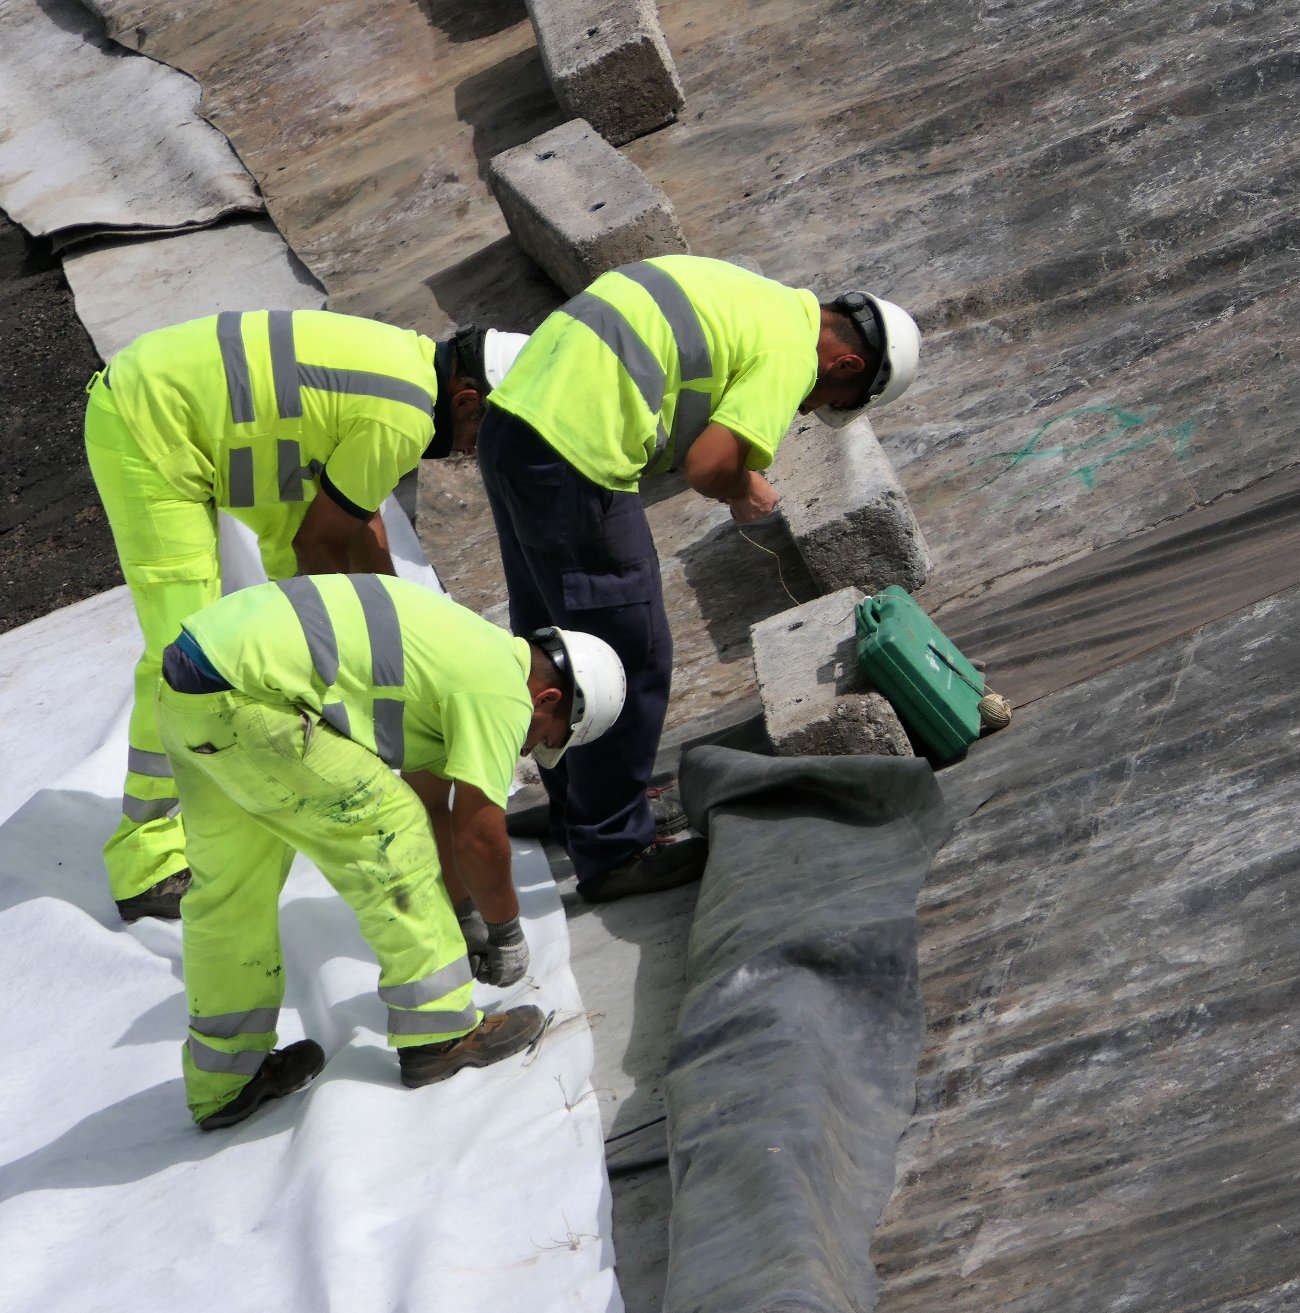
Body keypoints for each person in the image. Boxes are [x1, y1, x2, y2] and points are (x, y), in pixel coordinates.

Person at [479, 255, 922, 902]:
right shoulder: (791, 353)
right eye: (826, 403)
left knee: (552, 641)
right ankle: (613, 848)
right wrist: (744, 488)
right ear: (846, 368)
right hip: (575, 451)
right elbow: (709, 462)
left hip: (512, 423)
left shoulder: (756, 296)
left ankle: (580, 806)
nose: (808, 407)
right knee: (628, 651)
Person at [86, 310, 528, 922]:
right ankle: (146, 859)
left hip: (235, 426)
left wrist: (406, 641)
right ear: (467, 397)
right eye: (491, 430)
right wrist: (365, 671)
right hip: (149, 421)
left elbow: (360, 526)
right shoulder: (398, 417)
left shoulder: (408, 368)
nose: (482, 451)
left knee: (300, 629)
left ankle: (262, 775)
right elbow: (317, 551)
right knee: (184, 650)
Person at [155, 572, 625, 1129]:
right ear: (547, 698)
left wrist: (463, 915)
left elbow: (435, 803)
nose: (531, 748)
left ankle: (225, 1079)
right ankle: (440, 1033)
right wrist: (506, 933)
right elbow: (477, 832)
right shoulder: (499, 689)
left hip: (191, 688)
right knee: (389, 829)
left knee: (232, 888)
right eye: (546, 736)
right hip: (247, 698)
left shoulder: (457, 655)